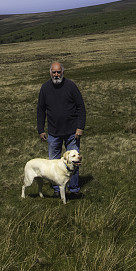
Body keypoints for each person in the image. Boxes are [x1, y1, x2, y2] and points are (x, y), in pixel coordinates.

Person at [37, 61, 86, 196]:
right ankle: (58, 189)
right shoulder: (45, 88)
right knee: (53, 163)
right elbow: (40, 110)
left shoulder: (71, 86)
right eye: (54, 72)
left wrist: (80, 127)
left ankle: (74, 189)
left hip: (72, 133)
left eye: (59, 72)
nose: (56, 74)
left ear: (63, 72)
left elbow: (81, 107)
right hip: (53, 133)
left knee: (74, 162)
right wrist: (40, 129)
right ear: (50, 73)